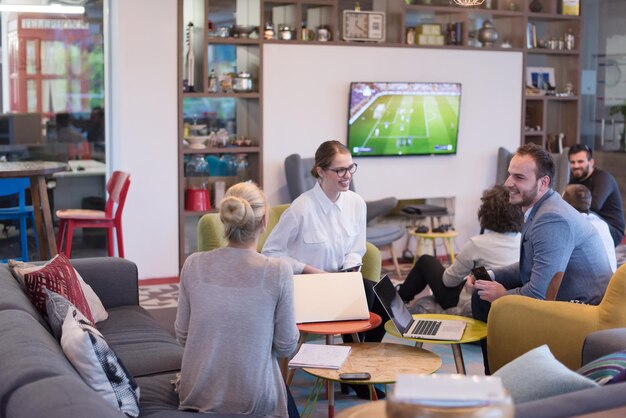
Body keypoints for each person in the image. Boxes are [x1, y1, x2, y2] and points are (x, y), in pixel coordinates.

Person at [471, 144, 613, 372]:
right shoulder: (542, 207)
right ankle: (499, 370)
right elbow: (531, 266)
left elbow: (539, 293)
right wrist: (492, 274)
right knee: (483, 290)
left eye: (519, 177)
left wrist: (503, 295)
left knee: (485, 299)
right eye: (509, 174)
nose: (508, 183)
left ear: (543, 183)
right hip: (561, 296)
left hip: (577, 310)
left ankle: (501, 375)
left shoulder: (552, 219)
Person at [262, 140, 386, 399]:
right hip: (308, 287)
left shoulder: (356, 203)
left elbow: (357, 247)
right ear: (320, 171)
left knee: (383, 302)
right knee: (366, 294)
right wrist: (307, 269)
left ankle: (354, 369)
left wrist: (352, 265)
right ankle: (358, 378)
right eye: (340, 170)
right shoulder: (301, 208)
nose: (348, 175)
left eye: (351, 168)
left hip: (342, 281)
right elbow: (270, 254)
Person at [175, 182, 299, 417]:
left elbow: (182, 336)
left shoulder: (193, 264)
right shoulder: (278, 271)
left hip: (196, 393)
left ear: (224, 219)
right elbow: (285, 347)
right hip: (253, 400)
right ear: (264, 222)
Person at [397, 185, 522, 317]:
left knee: (426, 261)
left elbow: (448, 281)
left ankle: (399, 298)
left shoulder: (477, 244)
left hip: (471, 301)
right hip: (500, 302)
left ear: (486, 213)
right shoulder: (523, 241)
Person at [568, 144, 625, 246]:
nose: (576, 166)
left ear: (591, 162)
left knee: (585, 216)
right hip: (590, 226)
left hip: (612, 230)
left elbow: (594, 206)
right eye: (572, 162)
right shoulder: (573, 182)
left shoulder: (603, 178)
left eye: (580, 161)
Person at [562, 184, 617, 273]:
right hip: (610, 281)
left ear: (565, 204)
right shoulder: (602, 223)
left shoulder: (572, 224)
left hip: (589, 284)